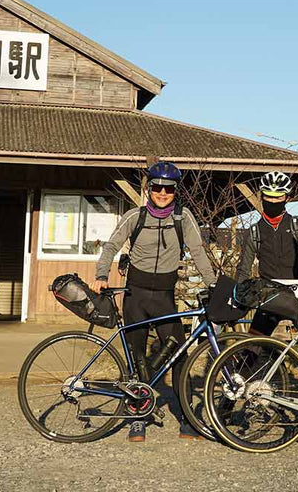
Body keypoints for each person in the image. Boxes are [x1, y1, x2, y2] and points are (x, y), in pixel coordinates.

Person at [93, 161, 217, 442]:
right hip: (135, 294)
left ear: (176, 191)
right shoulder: (134, 217)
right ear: (149, 188)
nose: (162, 193)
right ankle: (138, 415)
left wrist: (212, 284)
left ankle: (187, 418)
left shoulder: (183, 218)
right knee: (137, 356)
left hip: (164, 295)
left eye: (168, 189)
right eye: (157, 187)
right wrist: (101, 274)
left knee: (178, 355)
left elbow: (198, 250)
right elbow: (111, 245)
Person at [235, 171, 298, 337]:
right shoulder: (254, 232)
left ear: (287, 198)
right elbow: (243, 268)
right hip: (269, 297)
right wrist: (236, 299)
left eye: (278, 197)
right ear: (261, 196)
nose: (272, 201)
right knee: (253, 349)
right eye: (268, 197)